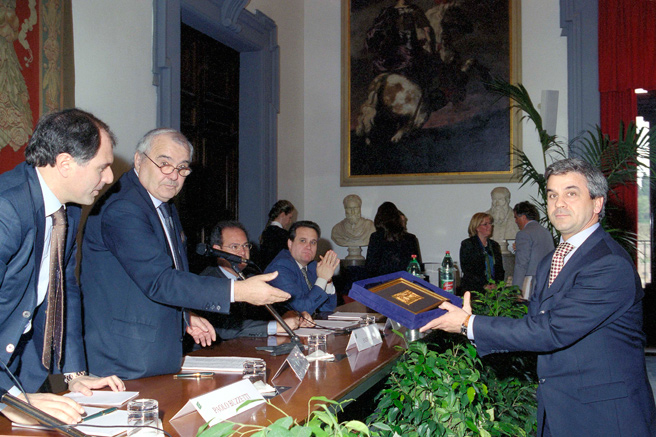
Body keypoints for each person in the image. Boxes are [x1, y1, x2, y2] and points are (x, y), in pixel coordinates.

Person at [421, 158, 656, 436]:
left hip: (604, 417)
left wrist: (468, 324)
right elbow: (535, 322)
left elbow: (551, 330)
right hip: (557, 410)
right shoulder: (551, 260)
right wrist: (470, 322)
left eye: (571, 193)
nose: (559, 203)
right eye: (552, 195)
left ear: (597, 203)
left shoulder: (609, 264)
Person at [81, 128, 290, 380]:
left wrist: (185, 315)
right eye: (164, 164)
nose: (174, 176)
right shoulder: (124, 207)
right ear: (139, 160)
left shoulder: (161, 203)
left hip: (153, 352)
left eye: (182, 168)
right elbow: (159, 280)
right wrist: (239, 291)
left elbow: (154, 277)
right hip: (125, 357)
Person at [0, 109, 125, 425]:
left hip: (18, 369)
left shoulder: (66, 210)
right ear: (66, 163)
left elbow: (63, 289)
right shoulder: (6, 208)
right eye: (102, 167)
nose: (110, 178)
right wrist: (9, 399)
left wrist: (74, 374)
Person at [197, 220, 313, 341]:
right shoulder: (208, 282)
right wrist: (276, 326)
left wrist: (294, 315)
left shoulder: (250, 275)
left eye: (246, 246)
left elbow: (274, 308)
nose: (242, 252)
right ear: (217, 251)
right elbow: (225, 329)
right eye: (235, 247)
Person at [265, 221, 339, 314]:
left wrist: (327, 281)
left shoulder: (313, 266)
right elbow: (302, 309)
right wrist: (322, 278)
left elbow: (328, 308)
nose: (309, 247)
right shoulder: (280, 267)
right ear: (290, 243)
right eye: (303, 241)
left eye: (313, 242)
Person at [365, 202, 421, 277]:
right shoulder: (410, 238)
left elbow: (370, 267)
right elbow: (417, 267)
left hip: (382, 282)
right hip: (405, 281)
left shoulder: (376, 237)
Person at [511, 202, 554, 293]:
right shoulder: (546, 232)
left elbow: (521, 263)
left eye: (516, 217)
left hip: (531, 283)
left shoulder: (523, 234)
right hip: (547, 281)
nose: (515, 221)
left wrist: (516, 289)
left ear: (523, 217)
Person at [459, 212, 505, 293]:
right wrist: (483, 285)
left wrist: (496, 284)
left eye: (490, 223)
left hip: (493, 290)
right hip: (474, 290)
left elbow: (500, 270)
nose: (489, 226)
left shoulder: (494, 245)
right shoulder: (468, 244)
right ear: (477, 227)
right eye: (485, 224)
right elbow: (467, 270)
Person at [259, 200, 295, 268]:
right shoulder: (283, 235)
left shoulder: (266, 232)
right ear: (282, 215)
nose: (290, 222)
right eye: (289, 217)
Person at [486, 187, 519, 252]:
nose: (497, 204)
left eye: (500, 199)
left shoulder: (515, 218)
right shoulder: (485, 217)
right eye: (494, 199)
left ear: (507, 200)